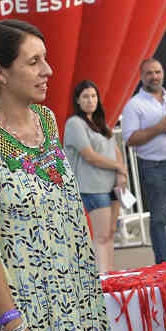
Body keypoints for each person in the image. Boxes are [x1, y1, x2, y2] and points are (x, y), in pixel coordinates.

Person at [0, 19, 113, 331]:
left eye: (45, 58)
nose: (48, 70)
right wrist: (13, 325)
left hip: (75, 301)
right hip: (24, 312)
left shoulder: (47, 121)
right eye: (33, 62)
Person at [121, 58, 166, 264]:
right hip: (155, 167)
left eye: (157, 72)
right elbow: (130, 139)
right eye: (149, 73)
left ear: (163, 73)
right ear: (141, 77)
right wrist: (160, 127)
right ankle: (163, 265)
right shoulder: (134, 105)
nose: (154, 76)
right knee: (158, 219)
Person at [65, 80, 127, 273]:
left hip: (112, 187)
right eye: (85, 96)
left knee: (110, 233)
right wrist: (118, 166)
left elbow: (115, 149)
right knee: (100, 236)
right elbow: (89, 155)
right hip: (93, 187)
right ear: (77, 100)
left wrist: (121, 173)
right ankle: (101, 279)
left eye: (93, 96)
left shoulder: (101, 124)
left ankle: (109, 273)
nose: (90, 100)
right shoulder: (75, 124)